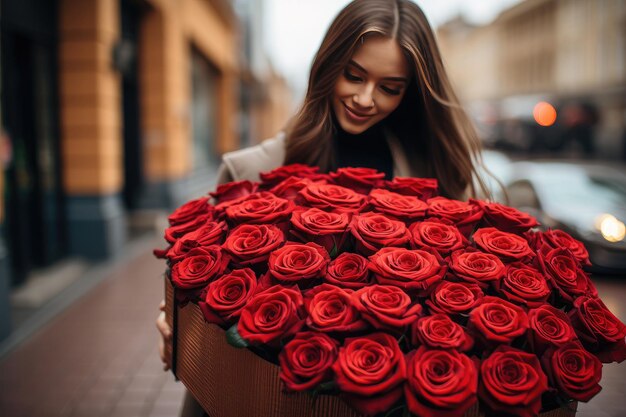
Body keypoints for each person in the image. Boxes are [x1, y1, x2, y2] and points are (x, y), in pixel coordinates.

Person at [156, 0, 491, 415]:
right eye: (353, 75)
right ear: (327, 64)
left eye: (390, 87)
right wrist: (175, 317)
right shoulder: (251, 170)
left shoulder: (434, 177)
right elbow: (204, 284)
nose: (365, 99)